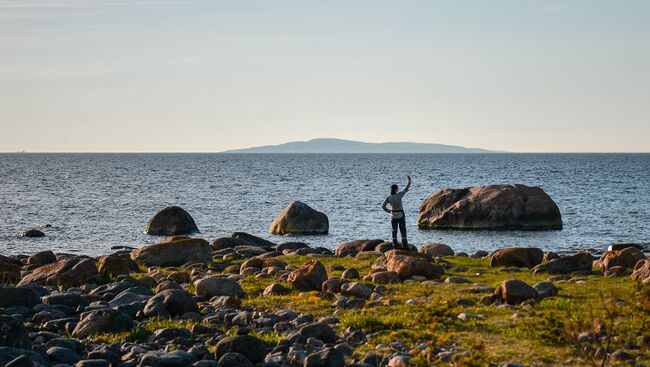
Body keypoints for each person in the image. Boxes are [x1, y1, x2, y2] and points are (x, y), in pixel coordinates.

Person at [382, 176, 411, 249]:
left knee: (394, 230)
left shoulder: (388, 197)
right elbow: (406, 189)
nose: (398, 189)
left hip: (393, 215)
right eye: (397, 188)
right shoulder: (399, 195)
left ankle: (395, 245)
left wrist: (389, 211)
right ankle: (405, 245)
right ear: (396, 189)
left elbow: (383, 206)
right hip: (401, 214)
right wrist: (409, 181)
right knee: (403, 230)